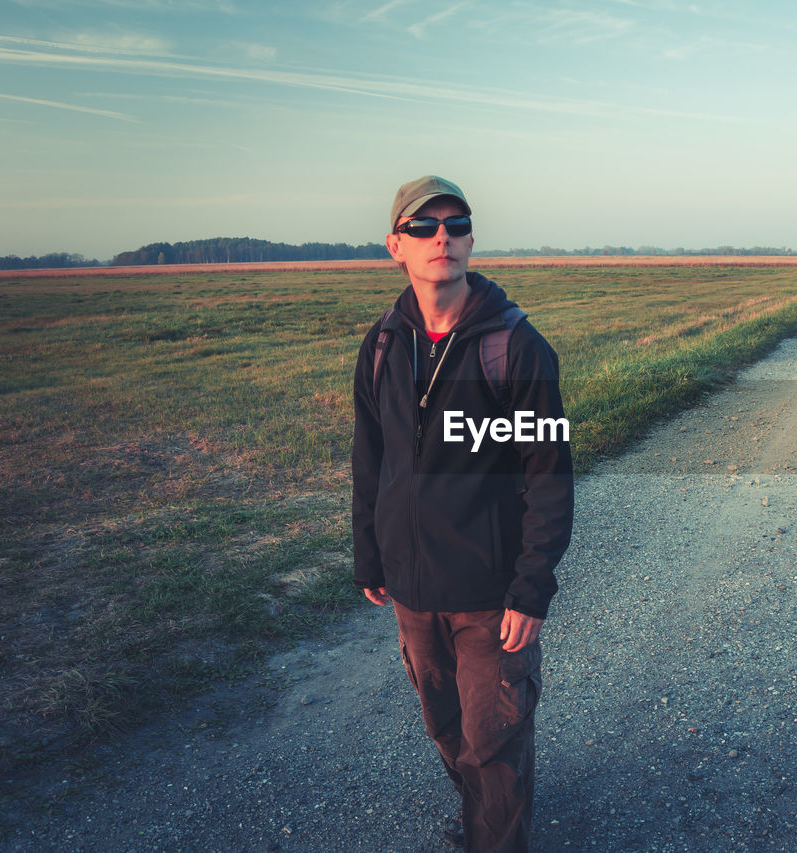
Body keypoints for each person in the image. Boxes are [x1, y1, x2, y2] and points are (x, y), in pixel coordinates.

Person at [351, 175, 574, 852]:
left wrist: (531, 587)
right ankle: (482, 817)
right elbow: (370, 456)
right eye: (422, 227)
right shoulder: (384, 343)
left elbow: (549, 475)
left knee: (495, 738)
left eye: (455, 224)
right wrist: (369, 552)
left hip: (488, 592)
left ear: (472, 239)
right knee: (446, 728)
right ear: (396, 245)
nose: (440, 237)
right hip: (414, 590)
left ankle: (495, 836)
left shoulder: (513, 345)